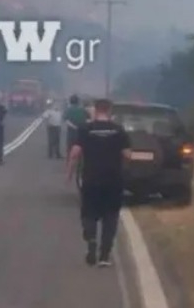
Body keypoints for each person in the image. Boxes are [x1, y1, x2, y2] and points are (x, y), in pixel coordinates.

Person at [67, 98, 131, 267]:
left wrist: (69, 174)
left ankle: (91, 240)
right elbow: (127, 155)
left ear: (95, 110)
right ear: (109, 111)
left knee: (89, 214)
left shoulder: (86, 129)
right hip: (113, 180)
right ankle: (104, 256)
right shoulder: (119, 130)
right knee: (110, 217)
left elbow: (75, 153)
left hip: (91, 179)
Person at [63, 94, 90, 159]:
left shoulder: (68, 110)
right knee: (81, 148)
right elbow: (88, 120)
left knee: (70, 149)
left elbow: (66, 120)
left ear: (70, 101)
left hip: (71, 132)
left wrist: (74, 126)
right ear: (78, 101)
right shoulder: (83, 110)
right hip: (82, 132)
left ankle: (69, 163)